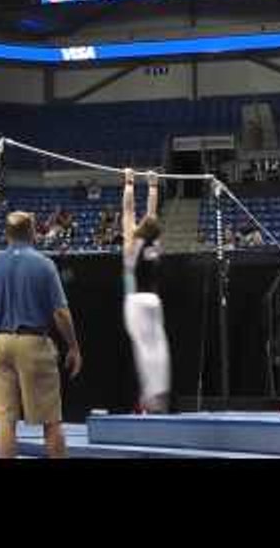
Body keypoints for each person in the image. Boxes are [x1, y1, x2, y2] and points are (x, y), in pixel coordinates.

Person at [0, 211, 82, 459]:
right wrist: (73, 347)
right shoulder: (44, 264)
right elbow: (60, 313)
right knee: (51, 421)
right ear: (32, 233)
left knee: (5, 422)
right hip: (34, 343)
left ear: (7, 235)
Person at [120, 169, 171, 414]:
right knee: (158, 346)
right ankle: (156, 393)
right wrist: (153, 185)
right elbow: (152, 215)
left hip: (136, 301)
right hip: (154, 300)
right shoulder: (156, 242)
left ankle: (149, 398)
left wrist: (129, 182)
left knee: (143, 348)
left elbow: (129, 211)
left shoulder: (132, 243)